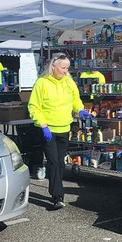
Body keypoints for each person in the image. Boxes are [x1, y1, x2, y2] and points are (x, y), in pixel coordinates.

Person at [28, 54, 91, 209]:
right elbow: (33, 106)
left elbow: (75, 100)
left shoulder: (69, 83)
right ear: (53, 67)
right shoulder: (41, 83)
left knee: (60, 164)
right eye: (63, 68)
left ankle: (54, 189)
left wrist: (80, 110)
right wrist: (43, 125)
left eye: (67, 68)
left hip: (64, 128)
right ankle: (58, 197)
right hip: (47, 129)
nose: (65, 71)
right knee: (54, 161)